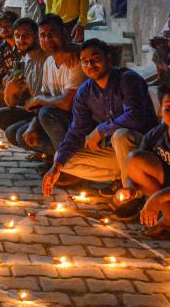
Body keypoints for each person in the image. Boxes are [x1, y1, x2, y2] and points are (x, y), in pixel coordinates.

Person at [42, 38, 158, 195]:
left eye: (95, 59)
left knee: (120, 135)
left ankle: (133, 196)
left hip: (142, 149)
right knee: (63, 160)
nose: (90, 65)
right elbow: (76, 131)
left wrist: (100, 130)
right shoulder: (85, 92)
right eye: (84, 62)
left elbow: (135, 116)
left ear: (108, 59)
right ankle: (124, 177)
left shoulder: (128, 79)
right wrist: (55, 167)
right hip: (115, 154)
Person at [114, 78, 170, 230]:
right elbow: (132, 170)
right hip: (166, 183)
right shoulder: (155, 135)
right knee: (134, 159)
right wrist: (129, 188)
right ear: (160, 109)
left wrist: (158, 197)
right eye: (168, 108)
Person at [14, 15, 85, 160]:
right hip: (53, 118)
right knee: (18, 134)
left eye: (53, 34)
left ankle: (67, 163)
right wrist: (33, 125)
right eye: (43, 35)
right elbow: (45, 95)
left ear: (64, 33)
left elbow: (66, 103)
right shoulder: (49, 62)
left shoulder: (75, 60)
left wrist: (39, 99)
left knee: (46, 112)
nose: (47, 39)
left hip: (76, 122)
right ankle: (57, 157)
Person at [0, 17, 49, 140]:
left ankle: (49, 152)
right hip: (34, 111)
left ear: (36, 35)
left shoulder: (47, 54)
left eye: (26, 35)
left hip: (49, 112)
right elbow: (11, 103)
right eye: (17, 36)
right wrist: (9, 90)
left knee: (15, 134)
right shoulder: (21, 63)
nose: (21, 39)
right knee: (0, 116)